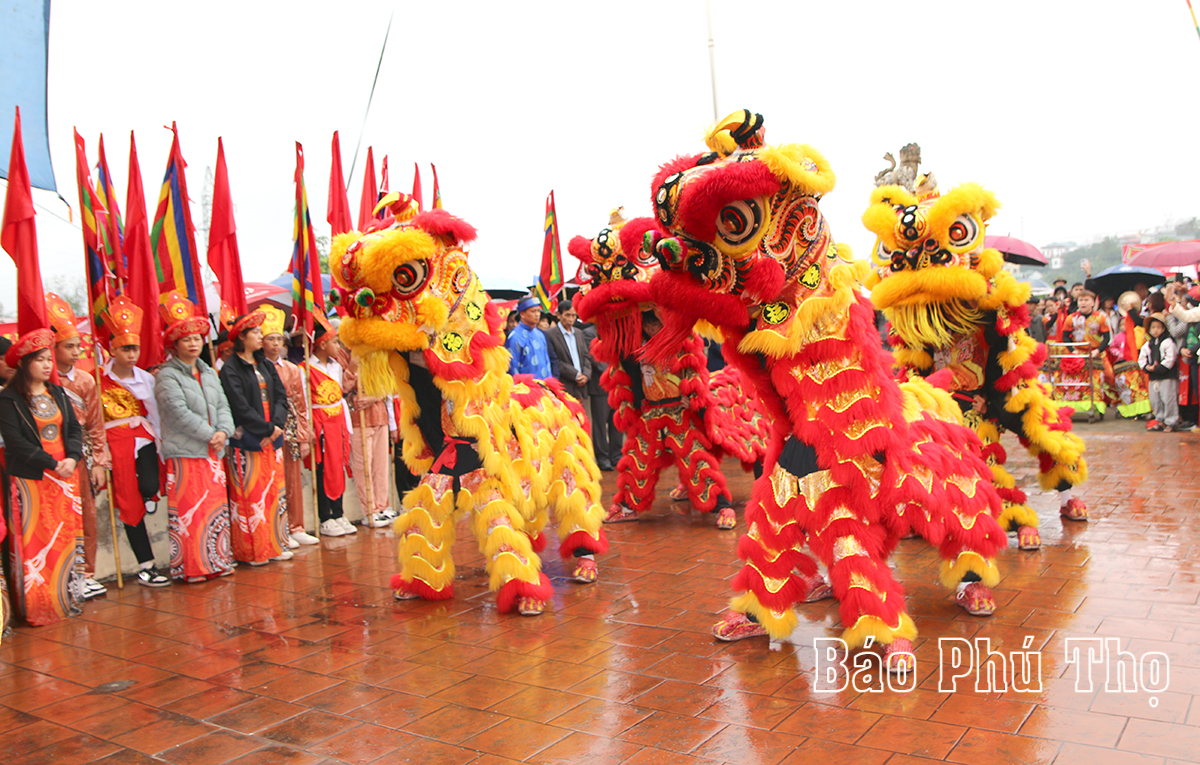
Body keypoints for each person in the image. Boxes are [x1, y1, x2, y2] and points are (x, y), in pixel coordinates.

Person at [0, 329, 86, 625]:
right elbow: (15, 442)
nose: (48, 365)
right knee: (36, 543)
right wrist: (52, 463)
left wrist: (73, 458)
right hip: (32, 479)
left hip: (65, 476)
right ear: (24, 364)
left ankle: (66, 599)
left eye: (50, 358)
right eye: (40, 360)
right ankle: (38, 608)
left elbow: (74, 429)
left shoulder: (58, 392)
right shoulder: (9, 399)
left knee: (65, 540)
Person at [155, 292, 236, 581]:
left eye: (197, 338)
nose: (193, 343)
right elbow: (177, 412)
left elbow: (224, 405)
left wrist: (223, 431)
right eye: (186, 339)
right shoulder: (167, 375)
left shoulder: (209, 373)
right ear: (175, 344)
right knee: (191, 511)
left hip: (212, 451)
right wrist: (211, 433)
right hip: (186, 452)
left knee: (215, 509)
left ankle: (216, 561)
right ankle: (192, 567)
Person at [99, 296, 170, 587]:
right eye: (125, 348)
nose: (131, 354)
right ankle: (146, 565)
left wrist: (162, 444)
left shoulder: (146, 379)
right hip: (115, 444)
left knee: (149, 486)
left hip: (144, 438)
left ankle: (150, 497)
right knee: (128, 503)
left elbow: (155, 413)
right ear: (112, 349)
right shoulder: (98, 379)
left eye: (135, 348)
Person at [46, 293, 109, 600]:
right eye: (68, 346)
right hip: (52, 459)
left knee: (86, 515)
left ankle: (86, 574)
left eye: (77, 346)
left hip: (81, 457)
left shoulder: (85, 380)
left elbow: (96, 424)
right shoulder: (44, 381)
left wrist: (99, 462)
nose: (75, 351)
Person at [219, 311, 291, 565]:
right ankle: (253, 550)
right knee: (251, 495)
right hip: (248, 440)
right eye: (256, 333)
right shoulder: (230, 369)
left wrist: (276, 427)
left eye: (261, 333)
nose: (261, 337)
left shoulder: (265, 364)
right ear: (242, 337)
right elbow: (239, 406)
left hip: (272, 437)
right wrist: (264, 430)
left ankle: (276, 543)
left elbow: (281, 396)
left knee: (274, 492)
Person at [259, 306, 318, 546]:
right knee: (273, 479)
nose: (275, 343)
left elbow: (301, 405)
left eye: (278, 339)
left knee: (293, 477)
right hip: (267, 428)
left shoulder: (293, 369)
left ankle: (297, 526)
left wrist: (304, 436)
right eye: (269, 338)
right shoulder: (257, 368)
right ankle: (277, 529)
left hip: (291, 428)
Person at [307, 316, 356, 537]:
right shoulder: (306, 368)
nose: (338, 346)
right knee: (323, 467)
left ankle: (339, 513)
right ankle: (325, 517)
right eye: (335, 342)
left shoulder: (336, 366)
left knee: (338, 464)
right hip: (320, 422)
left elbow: (342, 391)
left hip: (338, 421)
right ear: (322, 343)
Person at [345, 353, 397, 529]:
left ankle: (382, 506)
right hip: (360, 419)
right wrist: (352, 366)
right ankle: (369, 510)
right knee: (363, 466)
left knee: (381, 466)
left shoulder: (377, 356)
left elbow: (388, 385)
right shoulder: (347, 356)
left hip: (380, 416)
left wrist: (374, 397)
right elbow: (343, 386)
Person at [1108, 291, 1151, 419]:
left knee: (1139, 388)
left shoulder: (1139, 329)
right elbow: (1112, 347)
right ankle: (1129, 409)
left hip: (1136, 363)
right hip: (1123, 364)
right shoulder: (1118, 337)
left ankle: (1143, 410)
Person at [542, 300, 592, 402]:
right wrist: (575, 374)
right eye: (568, 315)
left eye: (574, 315)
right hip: (564, 384)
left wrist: (586, 375)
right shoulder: (550, 334)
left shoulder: (579, 333)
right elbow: (555, 361)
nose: (571, 319)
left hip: (581, 386)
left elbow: (586, 356)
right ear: (559, 315)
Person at [1140, 312, 1179, 431]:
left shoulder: (1168, 342)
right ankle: (1160, 419)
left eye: (1158, 327)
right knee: (1155, 399)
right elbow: (1142, 358)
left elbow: (1170, 359)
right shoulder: (1148, 344)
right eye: (1153, 327)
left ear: (1163, 328)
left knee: (1168, 399)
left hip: (1166, 376)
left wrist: (1157, 368)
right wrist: (1147, 367)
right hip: (1153, 377)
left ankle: (1171, 422)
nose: (1155, 330)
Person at [505, 295, 552, 378]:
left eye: (538, 311)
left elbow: (547, 363)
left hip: (544, 386)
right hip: (525, 388)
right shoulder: (514, 337)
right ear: (522, 314)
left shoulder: (541, 335)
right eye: (533, 311)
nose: (537, 314)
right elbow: (513, 368)